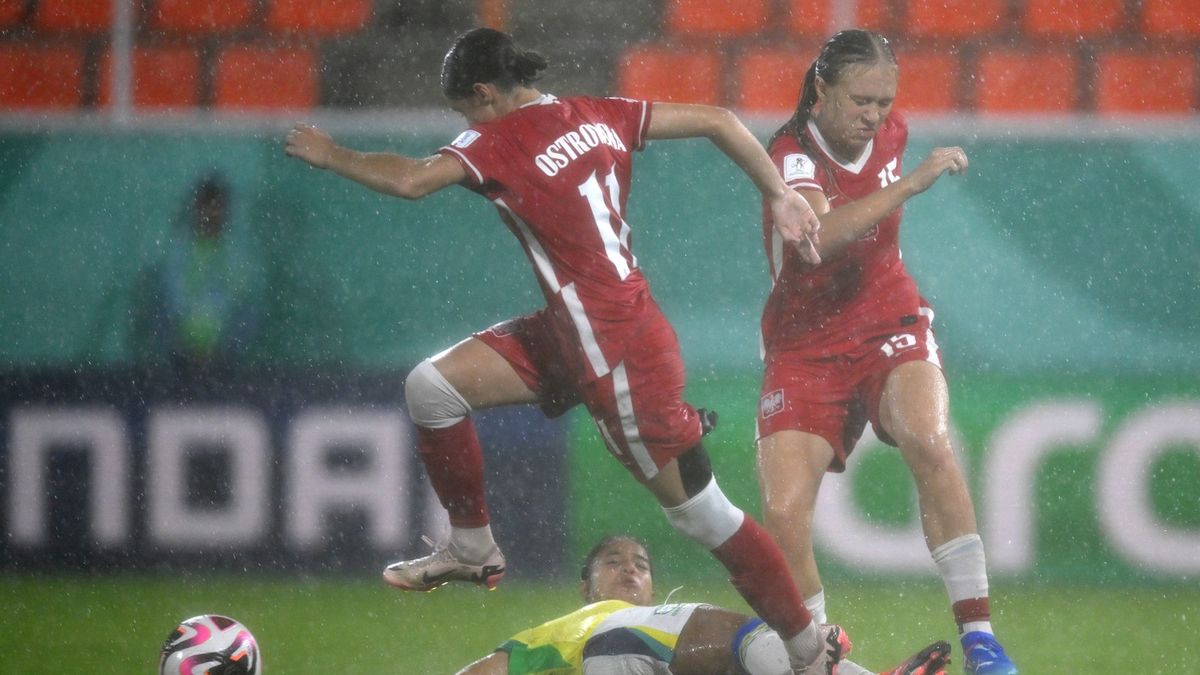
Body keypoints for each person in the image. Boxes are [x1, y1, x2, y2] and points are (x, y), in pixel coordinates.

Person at [286, 27, 841, 673]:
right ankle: (471, 546)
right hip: (577, 328)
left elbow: (411, 179)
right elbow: (719, 119)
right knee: (431, 388)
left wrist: (331, 153)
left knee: (705, 516)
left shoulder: (497, 138)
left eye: (464, 109)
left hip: (615, 351)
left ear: (486, 93)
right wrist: (778, 192)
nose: (463, 123)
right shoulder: (595, 112)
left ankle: (809, 651)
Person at [752, 30, 1017, 675]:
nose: (874, 116)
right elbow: (815, 242)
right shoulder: (790, 154)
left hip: (889, 319)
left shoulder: (890, 131)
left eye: (884, 102)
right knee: (784, 513)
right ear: (821, 90)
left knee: (928, 437)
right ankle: (816, 658)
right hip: (804, 346)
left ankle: (981, 638)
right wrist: (912, 184)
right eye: (860, 100)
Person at [457, 534, 952, 675]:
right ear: (586, 587)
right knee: (744, 636)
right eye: (613, 562)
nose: (630, 569)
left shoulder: (654, 622)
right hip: (619, 649)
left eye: (641, 564)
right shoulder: (583, 625)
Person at [133, 172, 262, 371]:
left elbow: (240, 297)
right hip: (180, 347)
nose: (211, 213)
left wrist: (218, 349)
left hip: (224, 349)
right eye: (206, 206)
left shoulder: (236, 250)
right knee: (156, 304)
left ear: (226, 210)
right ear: (196, 208)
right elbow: (171, 298)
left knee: (251, 310)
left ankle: (220, 363)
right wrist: (187, 349)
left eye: (217, 207)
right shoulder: (179, 248)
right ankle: (180, 362)